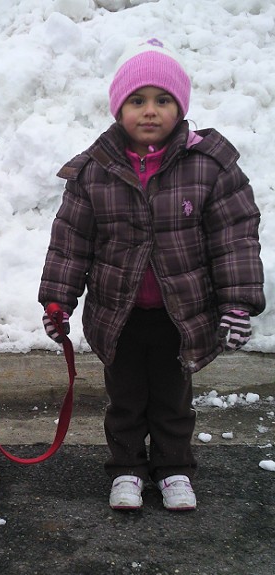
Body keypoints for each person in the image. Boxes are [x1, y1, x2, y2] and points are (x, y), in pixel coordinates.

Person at [38, 38, 265, 512]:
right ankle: (126, 470)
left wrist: (237, 304)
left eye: (163, 100)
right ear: (119, 109)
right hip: (117, 313)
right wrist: (58, 299)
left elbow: (234, 237)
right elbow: (70, 240)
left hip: (180, 315)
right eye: (137, 101)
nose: (150, 111)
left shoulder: (209, 166)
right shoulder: (94, 171)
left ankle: (174, 469)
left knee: (172, 399)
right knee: (125, 400)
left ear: (180, 108)